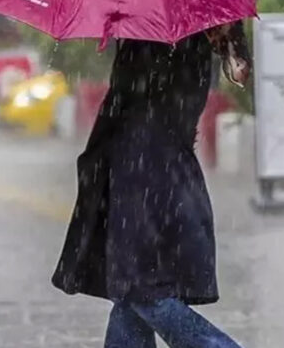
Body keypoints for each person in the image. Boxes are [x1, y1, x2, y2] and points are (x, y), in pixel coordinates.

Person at [51, 22, 251, 348]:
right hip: (165, 167)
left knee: (142, 287)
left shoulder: (152, 28)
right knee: (130, 288)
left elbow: (133, 96)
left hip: (141, 168)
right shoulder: (195, 29)